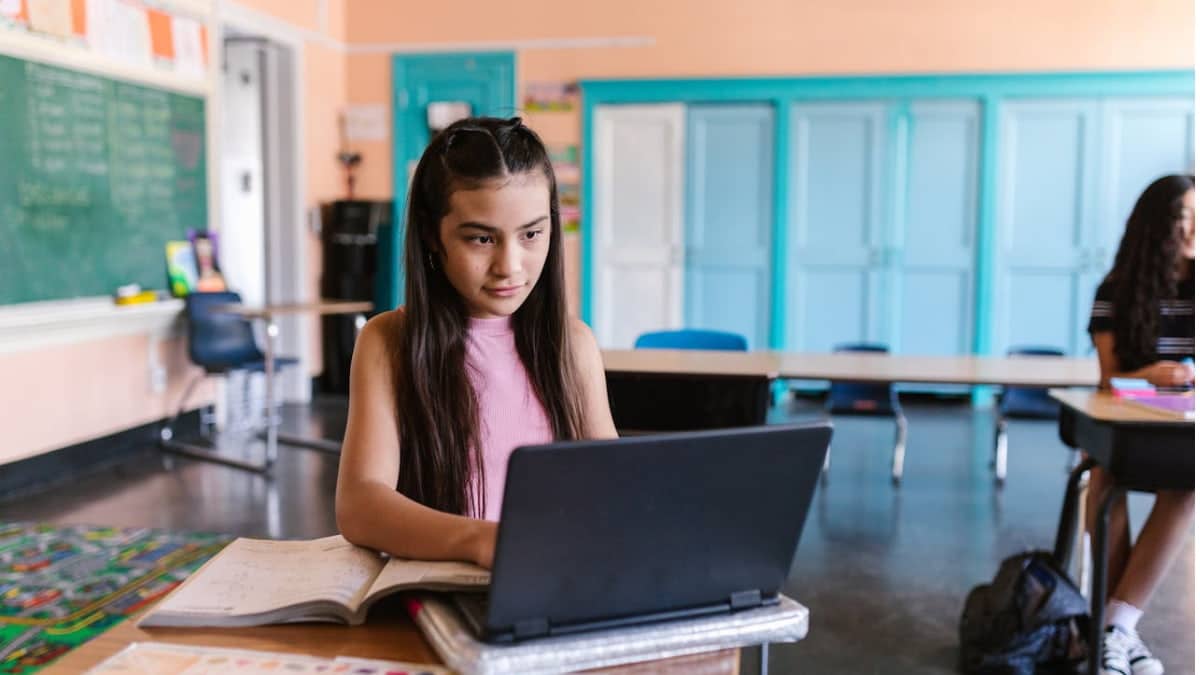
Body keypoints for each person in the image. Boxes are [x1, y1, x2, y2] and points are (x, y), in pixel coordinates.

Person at [335, 117, 618, 569]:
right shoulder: (388, 342)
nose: (510, 265)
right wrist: (483, 540)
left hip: (554, 579)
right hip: (442, 591)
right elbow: (360, 505)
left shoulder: (573, 344)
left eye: (531, 234)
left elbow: (614, 484)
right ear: (432, 235)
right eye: (482, 238)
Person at [1086, 174, 1194, 675]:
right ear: (1157, 228)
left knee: (1189, 485)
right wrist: (1148, 375)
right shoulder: (1115, 291)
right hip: (1128, 428)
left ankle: (1114, 629)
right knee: (1103, 478)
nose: (1192, 228)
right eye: (1182, 218)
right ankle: (1119, 631)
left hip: (1182, 431)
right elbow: (1109, 382)